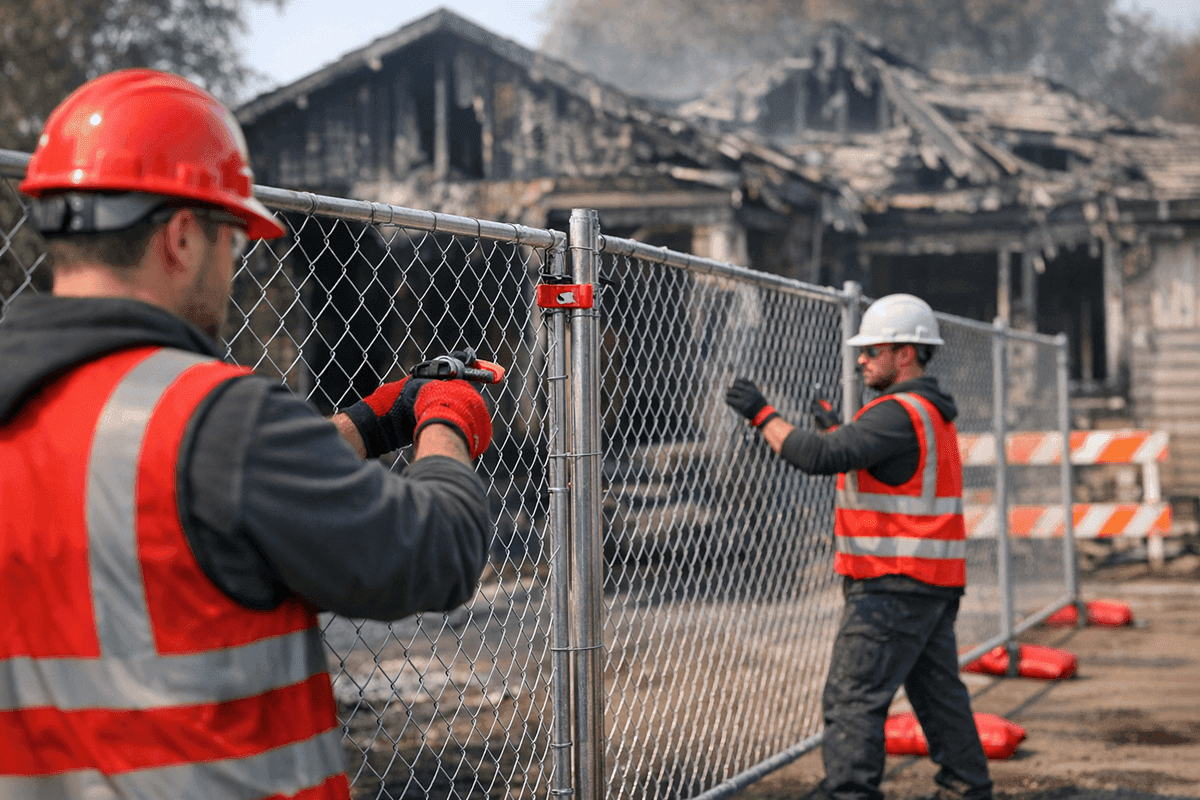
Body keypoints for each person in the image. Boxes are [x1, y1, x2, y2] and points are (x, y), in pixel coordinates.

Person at [0, 69, 494, 798]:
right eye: (233, 240)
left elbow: (164, 489)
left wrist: (371, 419)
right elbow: (436, 551)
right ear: (181, 237)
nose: (236, 266)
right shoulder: (219, 418)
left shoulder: (39, 402)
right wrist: (445, 419)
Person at [724, 293, 993, 800]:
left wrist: (762, 415)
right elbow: (879, 464)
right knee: (939, 699)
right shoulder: (929, 411)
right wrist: (838, 429)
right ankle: (967, 789)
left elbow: (822, 457)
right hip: (928, 583)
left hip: (890, 584)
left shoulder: (897, 412)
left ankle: (849, 794)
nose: (861, 360)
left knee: (852, 701)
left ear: (906, 353)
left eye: (872, 351)